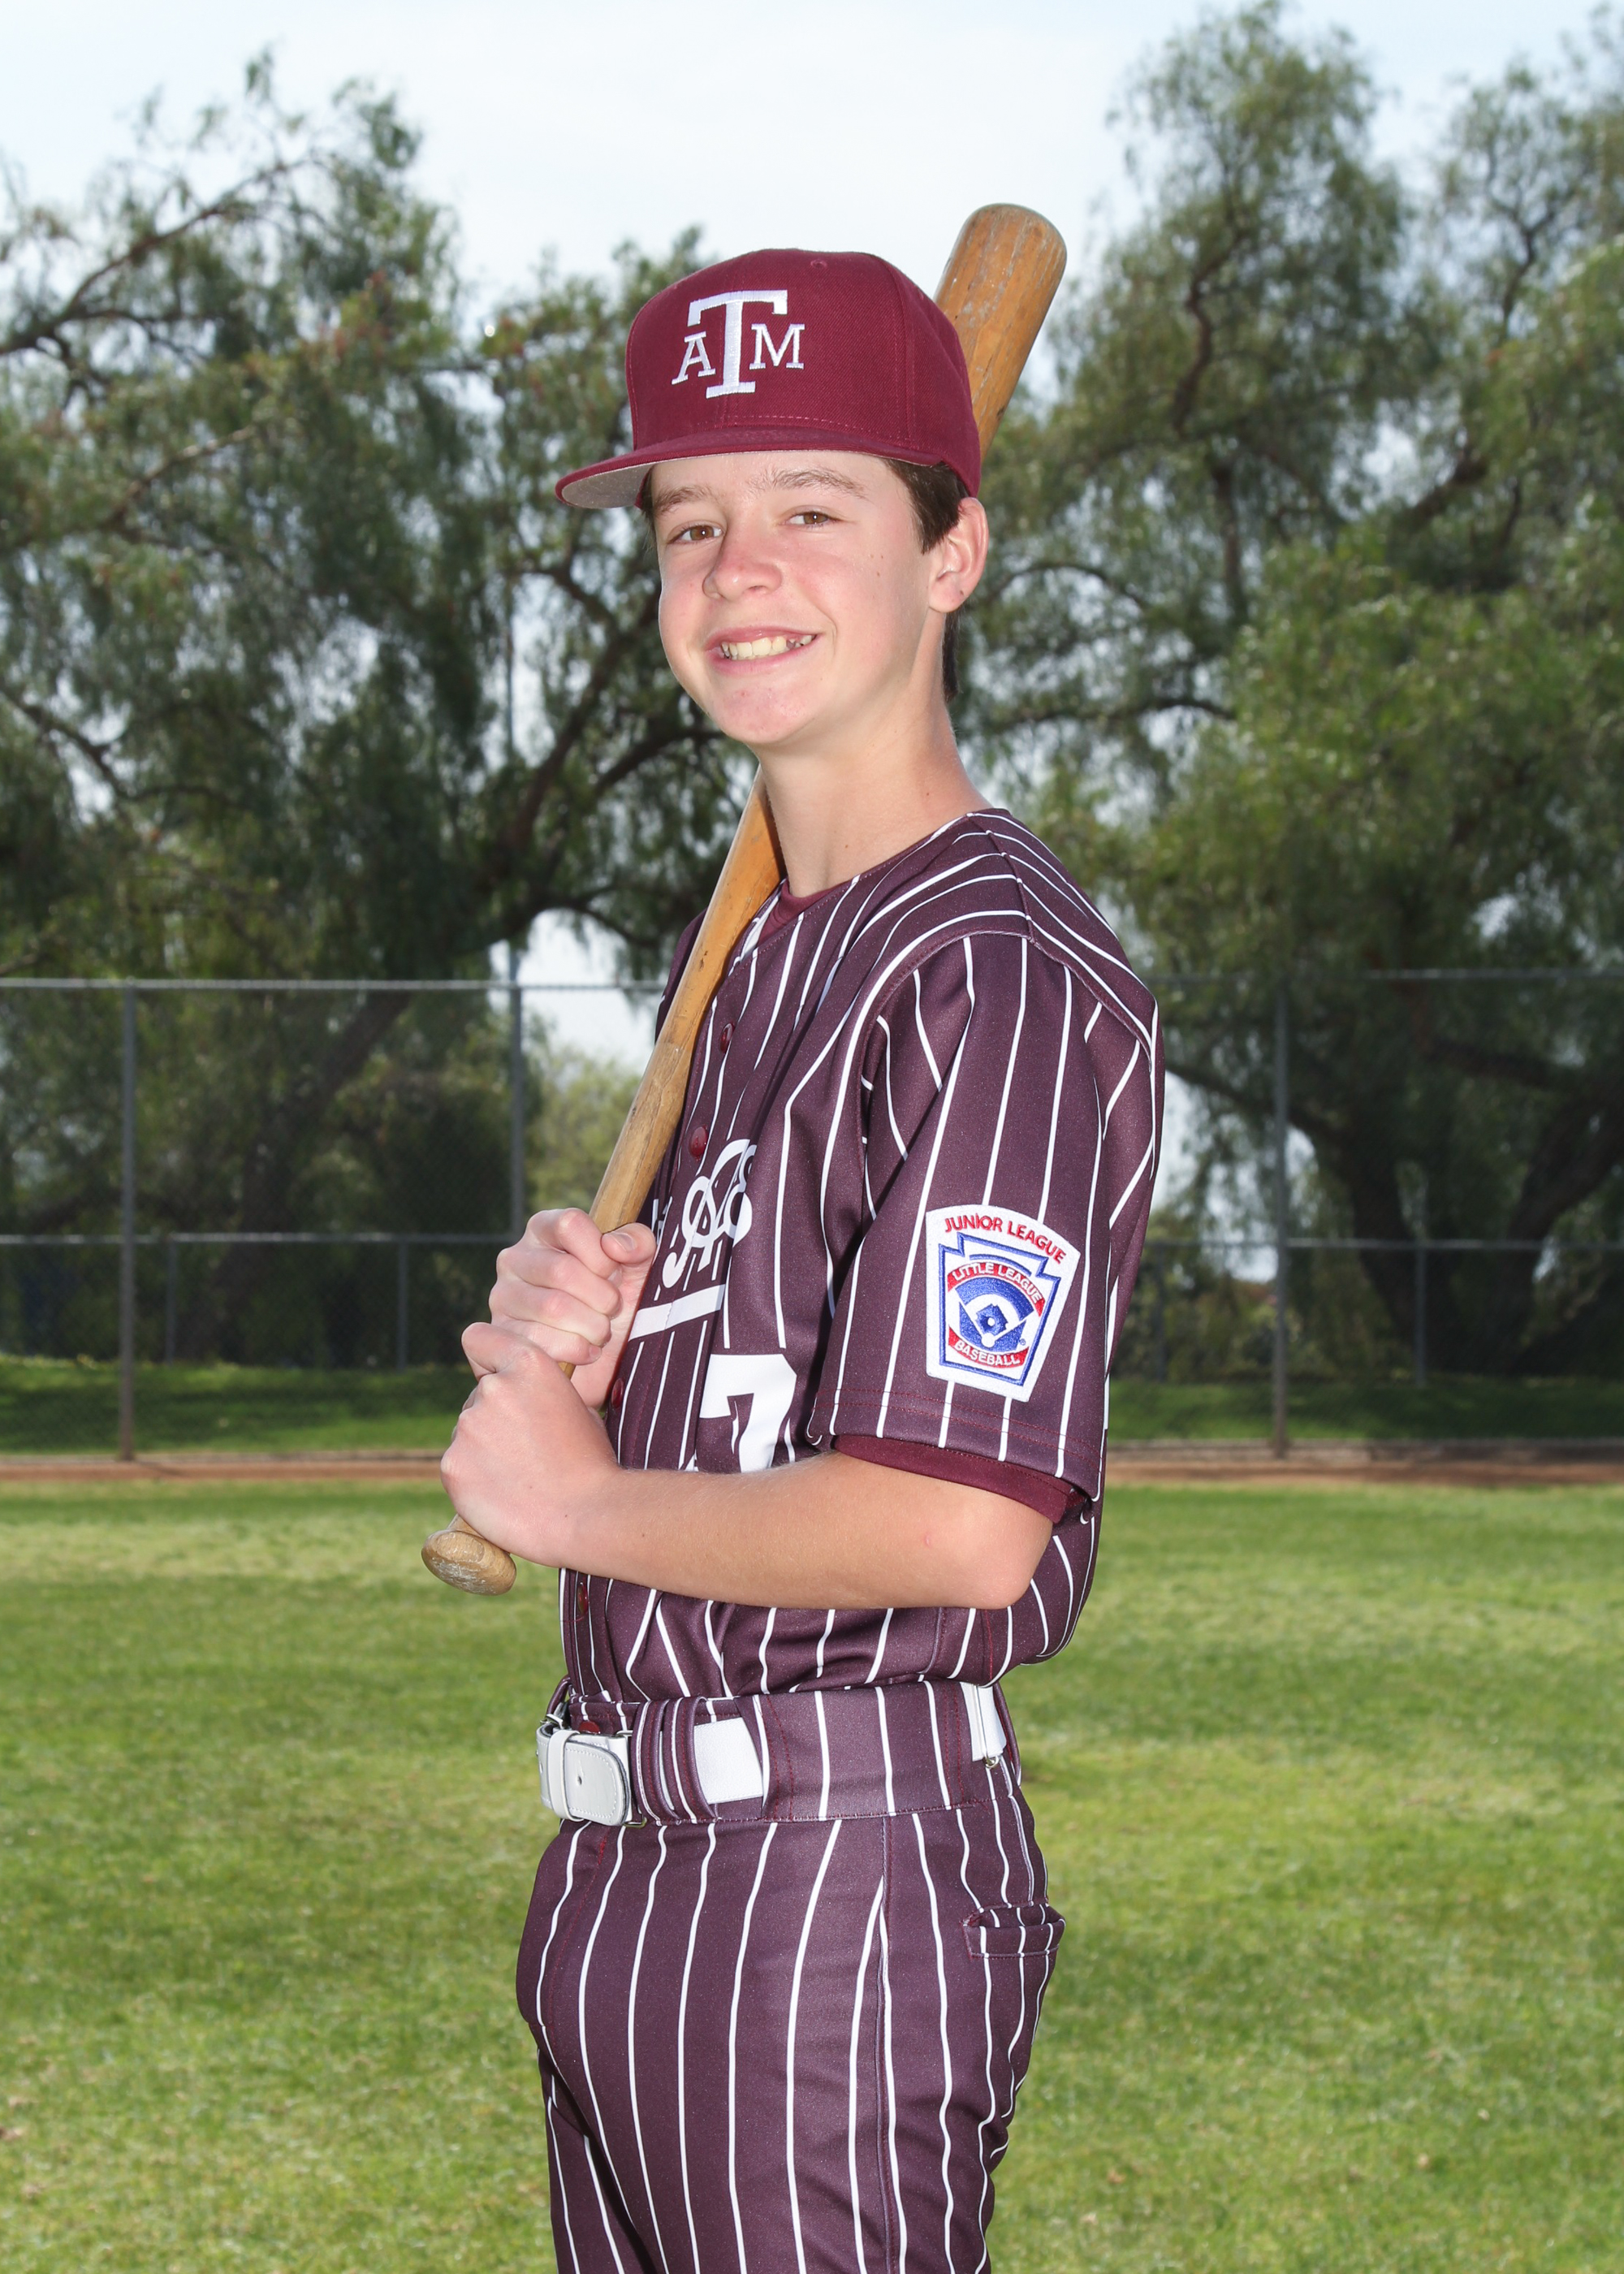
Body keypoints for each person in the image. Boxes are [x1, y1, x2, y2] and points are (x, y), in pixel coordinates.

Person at [440, 247, 1162, 2274]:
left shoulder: (996, 970)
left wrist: (574, 1501)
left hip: (827, 1881)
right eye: (691, 523)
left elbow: (957, 1521)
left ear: (953, 554)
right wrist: (601, 1340)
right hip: (629, 1868)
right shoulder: (757, 965)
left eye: (814, 507)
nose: (737, 569)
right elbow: (764, 1402)